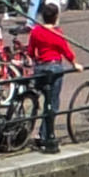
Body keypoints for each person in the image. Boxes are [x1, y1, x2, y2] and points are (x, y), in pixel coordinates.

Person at [24, 11, 77, 150]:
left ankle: (34, 123)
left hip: (40, 68)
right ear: (55, 17)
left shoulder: (36, 31)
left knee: (41, 96)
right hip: (54, 68)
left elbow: (31, 51)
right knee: (53, 102)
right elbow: (65, 50)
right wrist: (74, 63)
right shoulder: (57, 33)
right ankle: (45, 135)